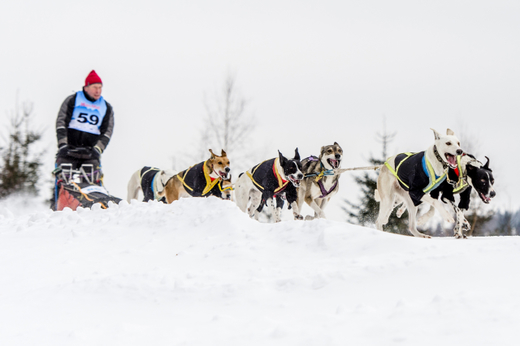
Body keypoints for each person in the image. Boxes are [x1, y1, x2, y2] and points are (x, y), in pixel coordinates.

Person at [55, 70, 115, 171]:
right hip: (68, 150)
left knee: (92, 181)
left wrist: (98, 149)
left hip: (90, 154)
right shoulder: (72, 100)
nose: (98, 91)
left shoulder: (106, 107)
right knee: (64, 181)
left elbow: (107, 131)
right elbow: (61, 123)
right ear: (86, 88)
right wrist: (63, 144)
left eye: (100, 88)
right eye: (95, 87)